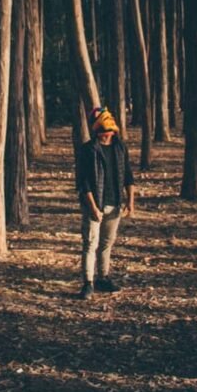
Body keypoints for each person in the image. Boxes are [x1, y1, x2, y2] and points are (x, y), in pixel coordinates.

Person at [76, 106, 135, 300]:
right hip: (95, 204)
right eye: (102, 133)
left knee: (106, 243)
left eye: (109, 133)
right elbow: (83, 183)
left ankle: (103, 277)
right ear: (96, 131)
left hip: (115, 203)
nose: (106, 136)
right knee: (90, 243)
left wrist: (130, 202)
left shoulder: (120, 148)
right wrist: (93, 207)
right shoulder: (88, 150)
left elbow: (128, 176)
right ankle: (88, 283)